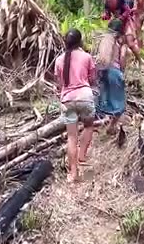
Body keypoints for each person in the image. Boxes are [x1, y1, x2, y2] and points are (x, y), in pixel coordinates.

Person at [53, 28, 96, 182]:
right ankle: (82, 155)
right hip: (85, 97)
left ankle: (73, 174)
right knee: (89, 126)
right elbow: (92, 78)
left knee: (71, 137)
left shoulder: (59, 60)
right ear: (80, 41)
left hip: (67, 101)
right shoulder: (86, 57)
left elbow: (60, 84)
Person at [95, 18, 128, 145]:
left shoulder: (103, 40)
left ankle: (106, 122)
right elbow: (123, 58)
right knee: (120, 103)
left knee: (106, 99)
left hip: (103, 71)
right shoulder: (119, 44)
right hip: (114, 71)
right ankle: (112, 127)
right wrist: (122, 71)